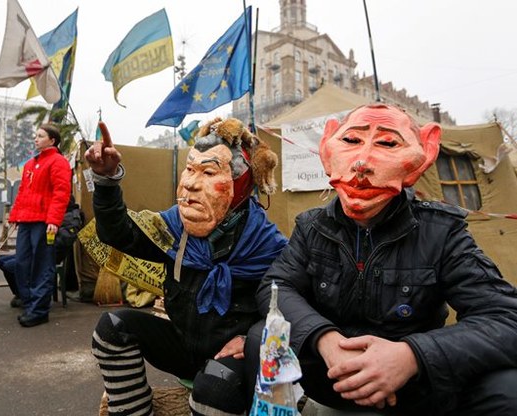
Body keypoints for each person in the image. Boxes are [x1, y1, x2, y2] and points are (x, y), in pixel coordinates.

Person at [245, 103, 517, 415]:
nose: (361, 162)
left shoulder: (441, 233)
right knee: (260, 339)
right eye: (351, 141)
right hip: (335, 372)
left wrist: (412, 355)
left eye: (388, 144)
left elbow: (506, 318)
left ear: (423, 153)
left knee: (507, 387)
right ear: (327, 146)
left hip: (413, 385)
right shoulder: (312, 226)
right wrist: (325, 339)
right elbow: (276, 287)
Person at [85, 117, 288, 416]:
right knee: (112, 329)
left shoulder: (267, 245)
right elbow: (119, 233)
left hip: (231, 360)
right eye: (190, 169)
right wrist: (106, 180)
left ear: (240, 185)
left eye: (208, 172)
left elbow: (287, 308)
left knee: (212, 391)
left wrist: (253, 340)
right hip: (184, 345)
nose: (191, 183)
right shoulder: (174, 228)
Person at [8, 123, 71, 327]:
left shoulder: (58, 162)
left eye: (41, 136)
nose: (36, 139)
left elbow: (61, 193)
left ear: (52, 140)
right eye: (36, 135)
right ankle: (28, 303)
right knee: (22, 262)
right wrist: (15, 217)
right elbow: (22, 193)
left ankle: (39, 310)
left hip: (43, 222)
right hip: (26, 220)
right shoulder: (30, 164)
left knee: (42, 265)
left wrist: (53, 220)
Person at [0, 195, 82, 307]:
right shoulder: (59, 214)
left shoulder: (70, 219)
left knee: (11, 265)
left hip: (48, 254)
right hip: (37, 250)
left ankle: (28, 296)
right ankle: (20, 293)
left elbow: (62, 243)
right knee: (2, 261)